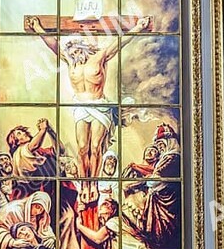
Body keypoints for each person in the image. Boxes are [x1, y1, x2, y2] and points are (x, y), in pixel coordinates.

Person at [27, 16, 151, 202]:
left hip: (100, 107)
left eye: (76, 47)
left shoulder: (99, 56)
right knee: (83, 147)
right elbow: (52, 45)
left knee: (95, 147)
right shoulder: (71, 60)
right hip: (80, 107)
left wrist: (138, 28)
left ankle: (92, 183)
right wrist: (37, 28)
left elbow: (120, 42)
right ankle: (84, 182)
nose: (73, 51)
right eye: (71, 48)